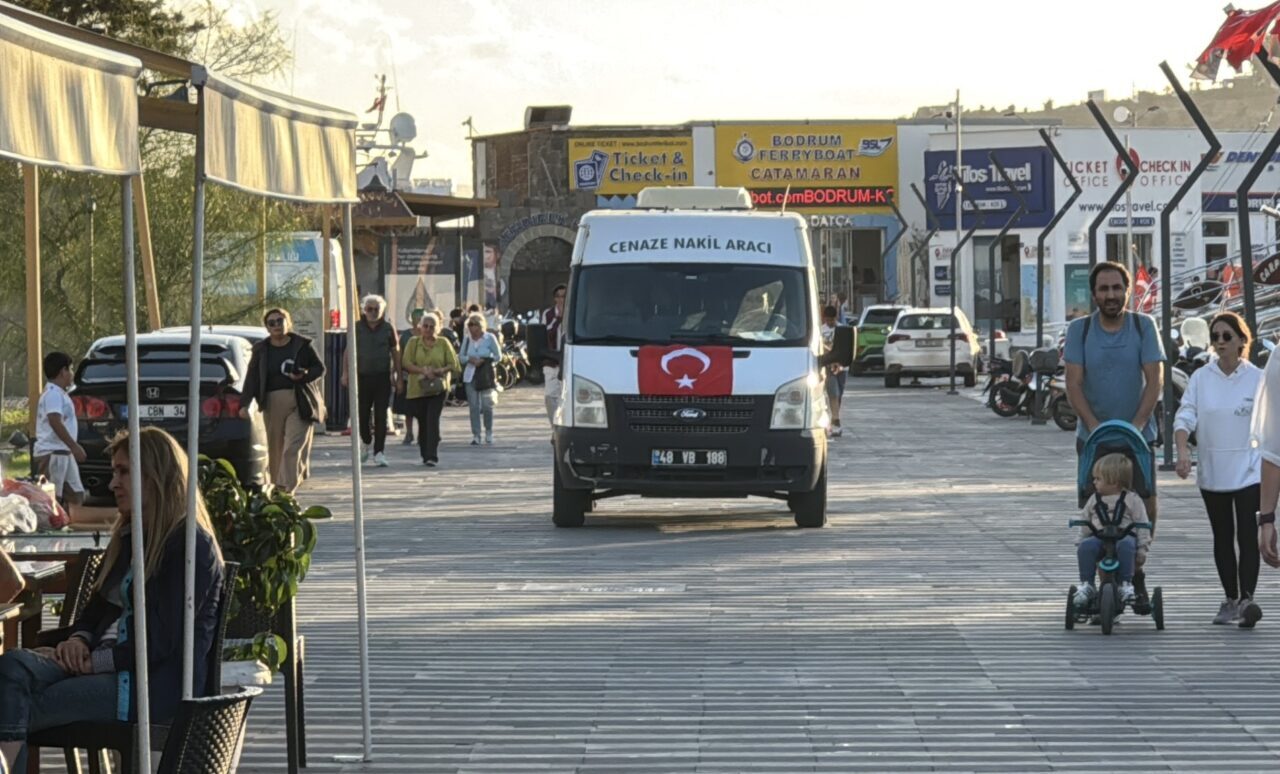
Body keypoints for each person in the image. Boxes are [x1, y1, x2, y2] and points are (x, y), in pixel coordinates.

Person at [0, 428, 224, 772]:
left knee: (11, 706)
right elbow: (96, 609)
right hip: (97, 665)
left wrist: (94, 662)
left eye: (124, 472)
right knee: (12, 665)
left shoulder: (190, 547)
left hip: (144, 687)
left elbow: (159, 643)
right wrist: (78, 640)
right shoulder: (131, 537)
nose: (112, 483)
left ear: (156, 477)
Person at [1175, 311, 1263, 627]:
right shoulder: (1201, 378)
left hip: (1250, 468)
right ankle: (1230, 598)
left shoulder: (1258, 378)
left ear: (1241, 340)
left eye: (1227, 336)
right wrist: (1182, 450)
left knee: (1248, 533)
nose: (1221, 342)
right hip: (1213, 469)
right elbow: (1185, 415)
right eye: (1215, 337)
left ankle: (1247, 599)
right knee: (1222, 535)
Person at [1064, 261, 1164, 531]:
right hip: (1094, 437)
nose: (1111, 295)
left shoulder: (1143, 325)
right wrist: (1093, 425)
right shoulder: (1079, 330)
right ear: (1094, 294)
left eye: (1117, 288)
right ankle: (1099, 558)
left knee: (1145, 501)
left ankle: (1141, 552)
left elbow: (1155, 379)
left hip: (1138, 436)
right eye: (1104, 289)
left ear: (1128, 291)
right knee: (1093, 508)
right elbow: (1073, 384)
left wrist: (1137, 426)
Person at [239, 308, 325, 494]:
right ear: (267, 327)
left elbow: (319, 368)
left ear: (288, 322)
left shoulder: (301, 345)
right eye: (272, 323)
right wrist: (244, 404)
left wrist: (303, 375)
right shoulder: (261, 350)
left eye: (280, 320)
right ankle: (277, 487)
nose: (276, 325)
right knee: (276, 448)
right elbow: (252, 378)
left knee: (292, 446)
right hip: (272, 402)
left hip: (300, 400)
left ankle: (287, 489)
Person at [1072, 453, 1152, 609]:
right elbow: (1085, 520)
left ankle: (1125, 583)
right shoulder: (1094, 499)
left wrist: (1142, 548)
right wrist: (1081, 539)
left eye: (1098, 479)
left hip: (1124, 535)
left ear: (1114, 482)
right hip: (1099, 536)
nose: (1094, 482)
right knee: (1086, 547)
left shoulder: (1132, 499)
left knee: (1127, 546)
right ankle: (1087, 584)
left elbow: (1142, 524)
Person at [341, 295, 402, 467]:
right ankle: (366, 440)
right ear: (364, 310)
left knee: (381, 415)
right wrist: (345, 373)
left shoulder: (388, 328)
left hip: (382, 376)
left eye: (377, 309)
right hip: (361, 376)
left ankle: (379, 451)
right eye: (370, 309)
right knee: (362, 413)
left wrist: (398, 377)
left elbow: (396, 352)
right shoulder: (356, 327)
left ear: (382, 310)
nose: (373, 312)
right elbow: (348, 351)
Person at [401, 313, 461, 467]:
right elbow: (406, 363)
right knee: (423, 421)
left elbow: (454, 364)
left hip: (437, 388)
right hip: (418, 388)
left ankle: (432, 455)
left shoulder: (443, 343)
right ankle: (425, 453)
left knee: (432, 419)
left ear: (438, 328)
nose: (428, 329)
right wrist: (423, 371)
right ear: (420, 327)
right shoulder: (413, 343)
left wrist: (439, 370)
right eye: (425, 326)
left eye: (432, 326)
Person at [33, 352, 86, 508]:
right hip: (53, 453)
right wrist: (74, 446)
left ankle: (70, 518)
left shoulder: (60, 394)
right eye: (70, 369)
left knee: (76, 494)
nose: (72, 374)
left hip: (64, 453)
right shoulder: (53, 394)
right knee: (50, 499)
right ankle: (52, 522)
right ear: (63, 371)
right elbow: (55, 421)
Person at [459, 312, 502, 445]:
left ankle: (489, 431)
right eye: (470, 325)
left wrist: (486, 359)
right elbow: (461, 357)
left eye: (475, 325)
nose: (472, 328)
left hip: (485, 375)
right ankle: (476, 434)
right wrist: (470, 359)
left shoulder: (489, 338)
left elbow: (498, 356)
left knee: (487, 405)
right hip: (470, 375)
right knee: (474, 406)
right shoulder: (467, 339)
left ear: (481, 326)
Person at [397, 309, 425, 446]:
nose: (419, 322)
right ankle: (409, 432)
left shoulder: (428, 335)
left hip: (423, 376)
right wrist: (396, 374)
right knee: (408, 407)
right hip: (408, 375)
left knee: (422, 407)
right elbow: (399, 355)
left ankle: (422, 433)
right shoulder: (406, 336)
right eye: (417, 319)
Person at [541, 284, 567, 423]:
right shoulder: (548, 314)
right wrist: (558, 319)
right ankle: (554, 426)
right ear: (555, 298)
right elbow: (546, 332)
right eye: (558, 296)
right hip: (551, 360)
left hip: (568, 361)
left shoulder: (575, 312)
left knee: (566, 397)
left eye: (564, 296)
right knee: (550, 396)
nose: (561, 299)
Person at [820, 305, 844, 438]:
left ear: (836, 317)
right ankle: (835, 422)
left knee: (839, 394)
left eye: (832, 320)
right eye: (828, 320)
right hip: (829, 367)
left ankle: (834, 417)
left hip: (842, 367)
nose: (830, 322)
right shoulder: (821, 331)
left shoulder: (842, 329)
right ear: (824, 319)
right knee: (833, 394)